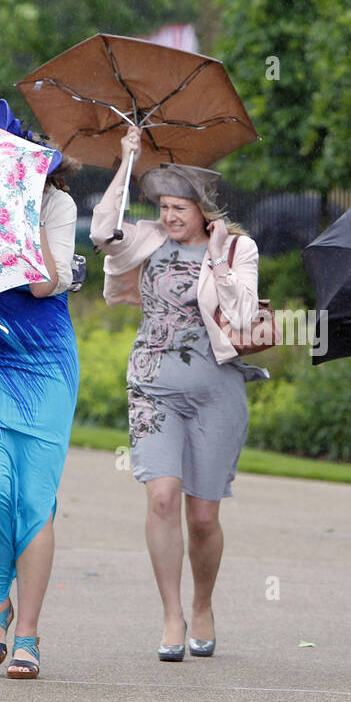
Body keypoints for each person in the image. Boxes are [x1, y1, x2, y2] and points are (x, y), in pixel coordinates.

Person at [91, 125, 267, 661]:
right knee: (162, 496)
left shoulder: (238, 248)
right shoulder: (145, 239)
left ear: (203, 210)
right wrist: (126, 160)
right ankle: (171, 614)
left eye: (179, 208)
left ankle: (203, 603)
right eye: (164, 205)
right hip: (152, 384)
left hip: (217, 392)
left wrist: (216, 259)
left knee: (203, 516)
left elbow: (241, 313)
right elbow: (102, 231)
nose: (169, 216)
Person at [0, 99, 83, 679]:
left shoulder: (57, 203)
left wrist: (20, 220)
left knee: (35, 503)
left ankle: (26, 633)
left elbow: (42, 285)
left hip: (45, 363)